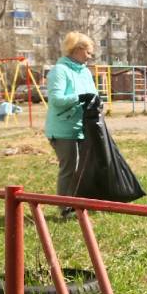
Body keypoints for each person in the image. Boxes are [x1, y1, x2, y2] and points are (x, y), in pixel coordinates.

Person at [45, 32, 98, 217]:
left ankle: (79, 203)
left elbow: (93, 94)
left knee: (83, 168)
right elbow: (56, 100)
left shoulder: (85, 72)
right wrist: (79, 97)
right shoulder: (59, 71)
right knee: (69, 168)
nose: (90, 56)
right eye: (88, 52)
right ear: (77, 49)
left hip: (83, 127)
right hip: (63, 129)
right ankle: (64, 208)